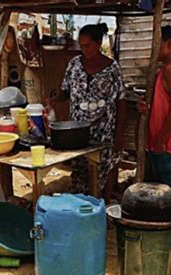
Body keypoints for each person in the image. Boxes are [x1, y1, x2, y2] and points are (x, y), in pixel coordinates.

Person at [47, 23, 126, 201]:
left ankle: (101, 205)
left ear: (98, 43)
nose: (84, 49)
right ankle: (80, 205)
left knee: (102, 169)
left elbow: (121, 101)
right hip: (77, 131)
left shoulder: (112, 68)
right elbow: (65, 91)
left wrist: (119, 136)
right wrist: (55, 100)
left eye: (87, 45)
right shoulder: (74, 64)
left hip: (104, 130)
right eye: (81, 46)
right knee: (80, 168)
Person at [137, 25, 171, 258]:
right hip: (161, 144)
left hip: (168, 146)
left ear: (169, 44)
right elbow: (166, 104)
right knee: (163, 194)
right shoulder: (166, 69)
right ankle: (168, 239)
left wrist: (161, 139)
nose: (154, 47)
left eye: (158, 42)